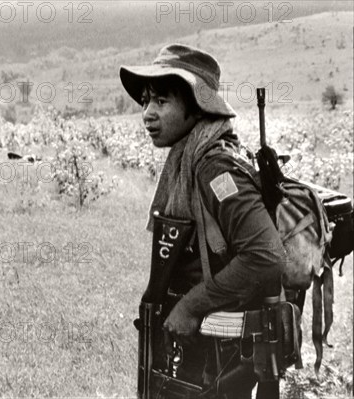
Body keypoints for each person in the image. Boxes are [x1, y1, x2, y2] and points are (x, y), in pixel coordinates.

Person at [120, 44, 286, 398]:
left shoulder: (214, 168)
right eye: (147, 101)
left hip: (221, 345)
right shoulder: (191, 158)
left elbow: (266, 254)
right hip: (207, 342)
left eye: (161, 101)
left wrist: (191, 306)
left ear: (196, 107)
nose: (147, 113)